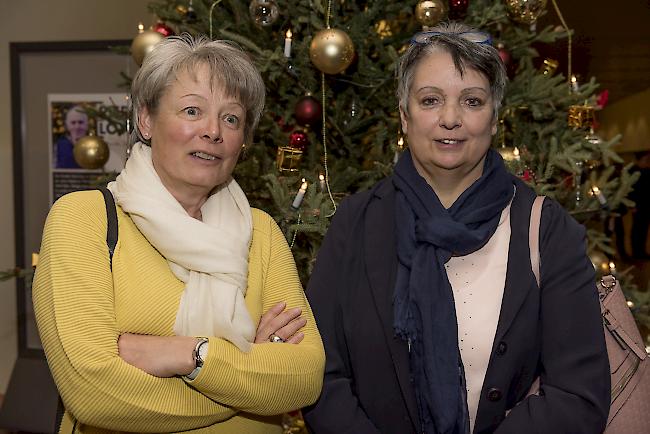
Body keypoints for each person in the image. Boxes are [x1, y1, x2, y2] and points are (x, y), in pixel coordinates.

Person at [303, 22, 610, 434]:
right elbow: (322, 377)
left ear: (496, 116)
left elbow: (577, 394)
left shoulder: (547, 229)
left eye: (472, 101)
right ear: (404, 115)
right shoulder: (355, 224)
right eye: (431, 100)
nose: (450, 119)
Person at [33, 35, 324, 433]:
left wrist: (191, 355)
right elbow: (94, 394)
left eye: (232, 118)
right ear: (147, 120)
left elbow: (304, 378)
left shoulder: (261, 232)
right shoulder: (84, 220)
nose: (213, 132)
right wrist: (252, 375)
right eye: (192, 110)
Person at [629, 150, 650, 259]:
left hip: (646, 204)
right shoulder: (633, 172)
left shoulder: (647, 171)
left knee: (644, 229)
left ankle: (642, 251)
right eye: (645, 159)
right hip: (637, 205)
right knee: (637, 229)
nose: (647, 161)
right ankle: (636, 252)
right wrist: (632, 205)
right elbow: (630, 190)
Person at [54, 104, 89, 168]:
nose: (77, 127)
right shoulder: (58, 147)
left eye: (80, 122)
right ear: (67, 125)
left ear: (87, 124)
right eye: (73, 122)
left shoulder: (95, 146)